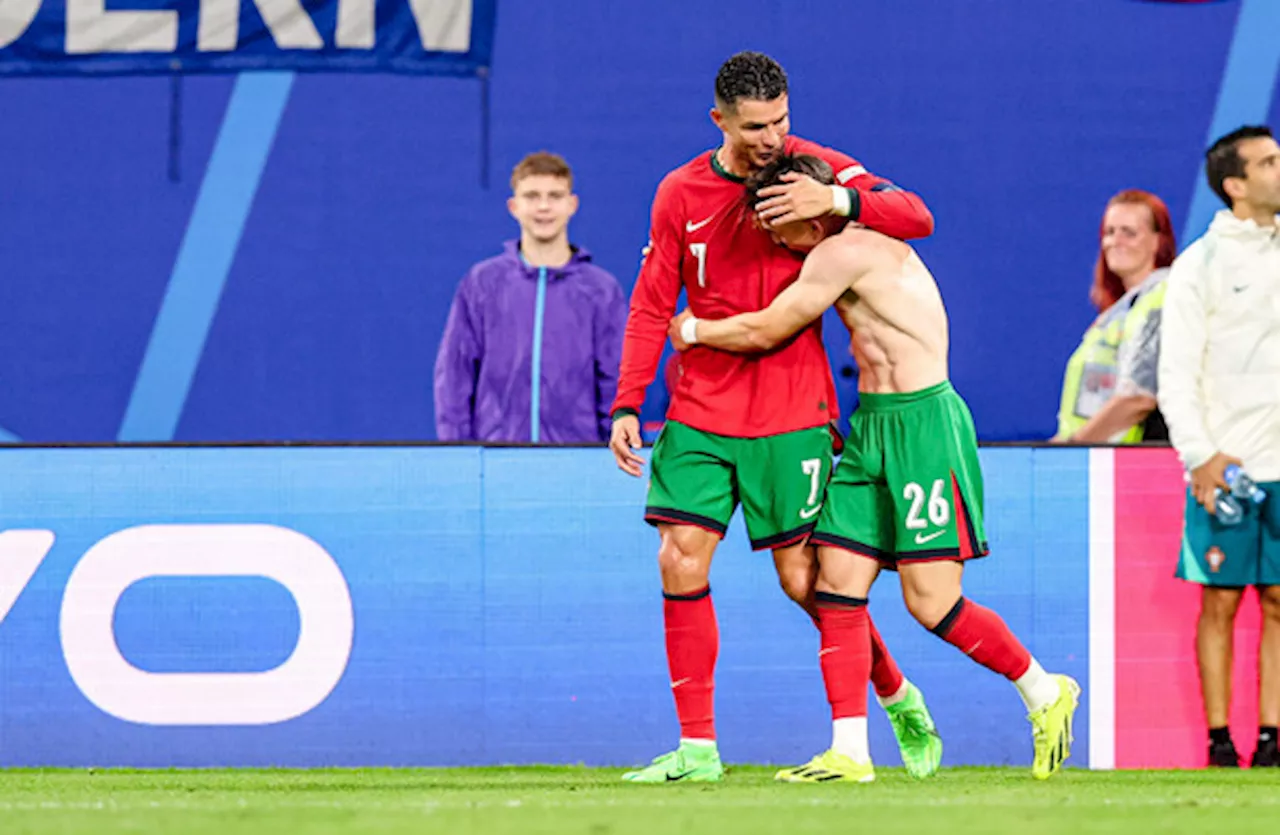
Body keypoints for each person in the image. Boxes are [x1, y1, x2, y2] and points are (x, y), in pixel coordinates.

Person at [669, 153, 1081, 783]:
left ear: (806, 209)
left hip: (924, 427)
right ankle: (851, 752)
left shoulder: (844, 250)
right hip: (873, 429)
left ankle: (1043, 689)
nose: (774, 239)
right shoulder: (851, 239)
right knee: (835, 583)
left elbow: (769, 329)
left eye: (778, 224)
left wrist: (693, 330)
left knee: (932, 603)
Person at [608, 52, 939, 783]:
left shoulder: (814, 169)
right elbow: (651, 299)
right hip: (699, 407)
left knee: (806, 581)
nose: (771, 138)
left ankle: (895, 692)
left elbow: (917, 215)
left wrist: (839, 205)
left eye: (781, 120)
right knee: (678, 555)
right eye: (756, 126)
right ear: (719, 120)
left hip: (792, 408)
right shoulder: (679, 193)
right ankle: (698, 749)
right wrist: (629, 399)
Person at [1159, 125, 1280, 769]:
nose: (1279, 169)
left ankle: (1270, 738)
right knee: (1222, 599)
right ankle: (1218, 739)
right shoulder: (1201, 264)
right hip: (1227, 464)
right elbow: (1176, 371)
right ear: (1235, 185)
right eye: (1268, 162)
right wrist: (1199, 454)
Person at [434, 151, 627, 443]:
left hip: (577, 458)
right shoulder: (482, 283)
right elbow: (454, 375)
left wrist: (609, 451)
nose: (544, 206)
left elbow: (616, 378)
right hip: (496, 456)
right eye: (532, 196)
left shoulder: (601, 290)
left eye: (555, 195)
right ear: (513, 206)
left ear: (572, 204)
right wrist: (457, 452)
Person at [1054, 190, 1176, 443]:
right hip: (1098, 460)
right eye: (1109, 232)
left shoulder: (1163, 298)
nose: (1115, 241)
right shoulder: (1118, 312)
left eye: (1129, 232)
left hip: (1134, 465)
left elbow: (1139, 396)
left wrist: (1072, 449)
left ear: (1158, 241)